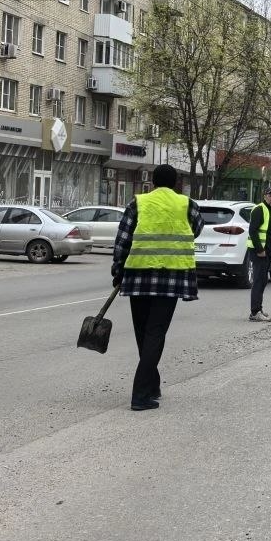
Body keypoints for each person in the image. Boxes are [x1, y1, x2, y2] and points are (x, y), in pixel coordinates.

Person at [111, 164, 203, 411]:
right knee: (156, 333)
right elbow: (196, 229)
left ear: (151, 182)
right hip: (171, 277)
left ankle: (151, 386)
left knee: (143, 333)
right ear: (176, 184)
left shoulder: (138, 203)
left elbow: (122, 240)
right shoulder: (186, 205)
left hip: (139, 275)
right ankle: (141, 395)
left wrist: (118, 270)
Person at [247, 187, 271, 322]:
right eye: (270, 195)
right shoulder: (259, 209)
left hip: (267, 253)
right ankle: (255, 312)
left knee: (263, 281)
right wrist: (260, 249)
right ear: (265, 196)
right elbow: (253, 231)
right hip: (259, 252)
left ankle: (258, 309)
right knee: (259, 281)